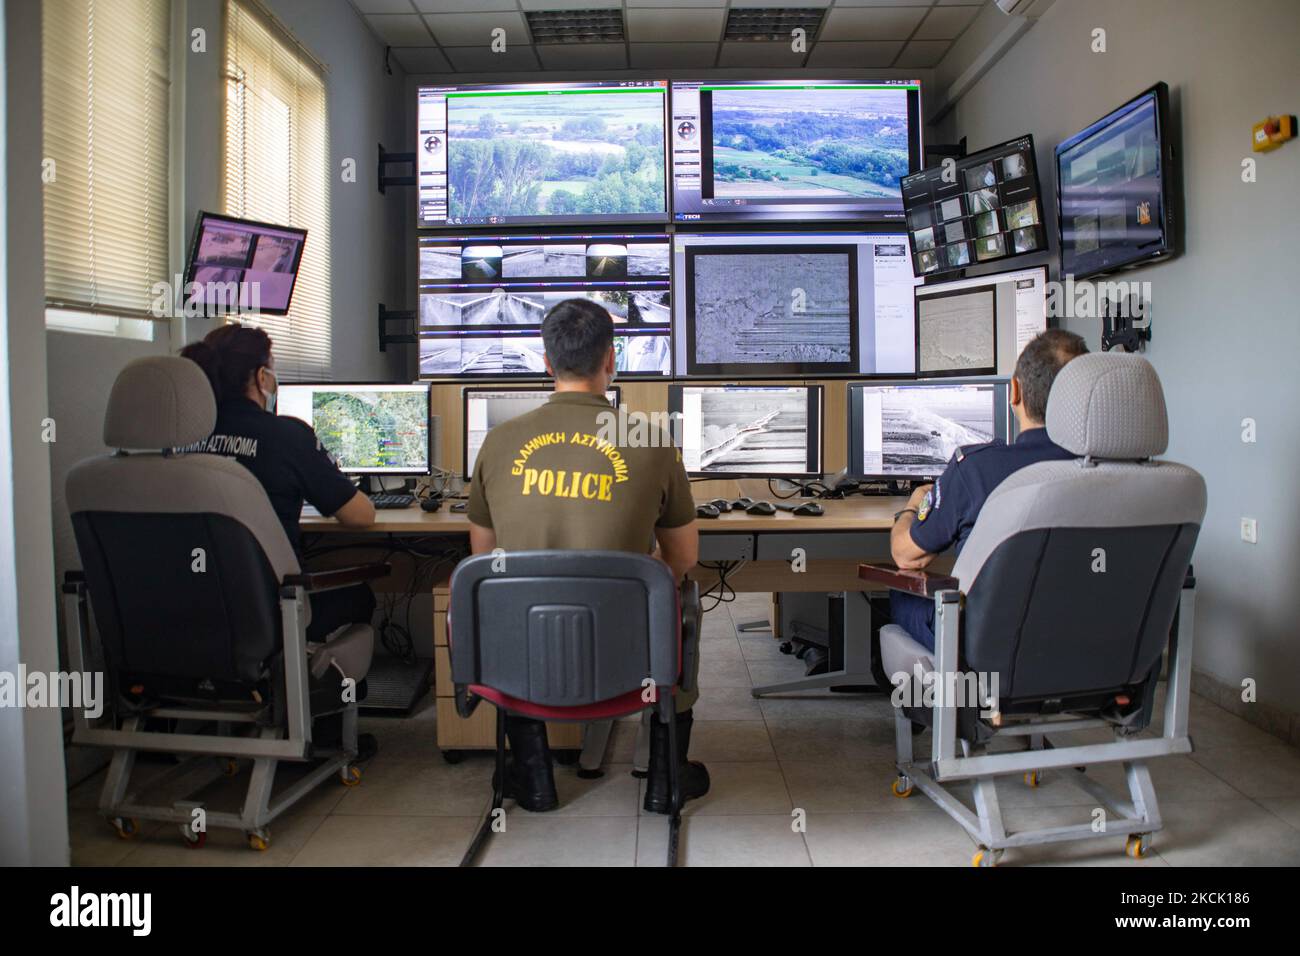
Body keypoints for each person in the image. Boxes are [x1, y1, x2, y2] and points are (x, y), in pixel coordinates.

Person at [466, 298, 706, 814]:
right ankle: (665, 780)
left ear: (547, 364)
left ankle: (533, 779)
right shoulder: (649, 440)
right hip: (630, 662)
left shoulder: (499, 440)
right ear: (611, 360)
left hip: (525, 662)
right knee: (687, 602)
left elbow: (485, 563)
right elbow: (683, 560)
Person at [180, 324, 379, 754]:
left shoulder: (178, 442)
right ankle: (317, 722)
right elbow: (361, 517)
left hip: (188, 612)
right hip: (268, 611)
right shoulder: (284, 435)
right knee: (360, 596)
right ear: (261, 377)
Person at [887, 328, 1089, 652]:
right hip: (1093, 647)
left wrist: (912, 506)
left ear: (1014, 392)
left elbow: (907, 555)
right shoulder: (1126, 479)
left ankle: (936, 700)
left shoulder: (976, 469)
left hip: (992, 649)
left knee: (902, 595)